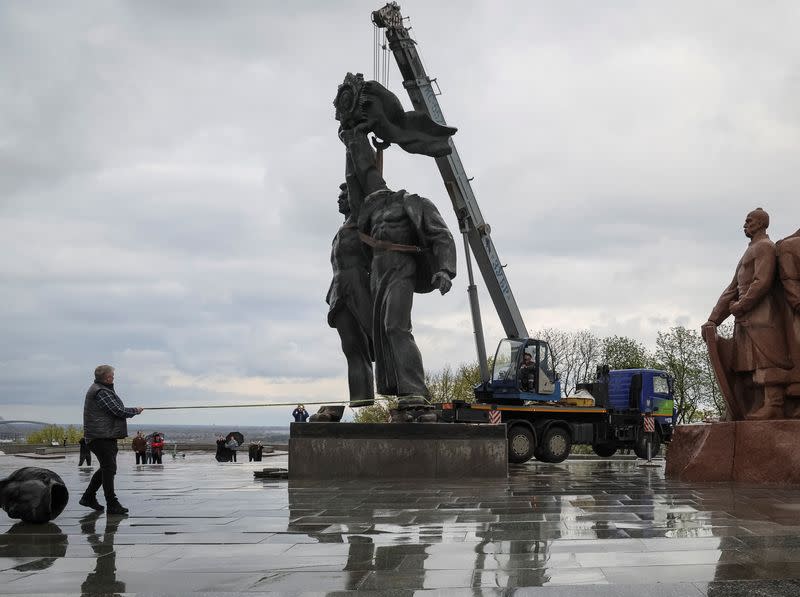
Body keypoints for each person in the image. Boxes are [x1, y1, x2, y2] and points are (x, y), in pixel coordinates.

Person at [342, 124, 456, 398]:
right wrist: (351, 138)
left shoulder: (412, 202)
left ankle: (416, 390)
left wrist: (445, 270)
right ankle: (399, 388)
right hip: (378, 273)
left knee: (396, 325)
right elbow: (355, 171)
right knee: (382, 332)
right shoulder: (369, 210)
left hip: (401, 267)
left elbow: (442, 236)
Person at [703, 208, 792, 419]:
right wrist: (713, 319)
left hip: (763, 315)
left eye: (749, 221)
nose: (745, 225)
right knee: (746, 364)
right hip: (744, 317)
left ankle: (774, 404)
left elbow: (762, 281)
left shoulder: (765, 247)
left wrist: (742, 305)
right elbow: (732, 289)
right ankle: (747, 406)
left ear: (761, 224)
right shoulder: (749, 250)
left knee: (768, 359)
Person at [327, 181, 375, 407]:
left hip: (359, 286)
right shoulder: (343, 229)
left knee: (378, 341)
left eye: (345, 194)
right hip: (339, 290)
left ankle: (405, 391)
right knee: (352, 346)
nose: (339, 198)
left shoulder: (363, 223)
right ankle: (360, 397)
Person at [79, 365, 143, 515]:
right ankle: (111, 503)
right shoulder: (101, 391)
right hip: (101, 437)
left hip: (103, 436)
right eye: (112, 375)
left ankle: (88, 496)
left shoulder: (100, 389)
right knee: (109, 468)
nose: (113, 377)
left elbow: (114, 409)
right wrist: (135, 410)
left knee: (106, 467)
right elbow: (117, 410)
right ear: (107, 377)